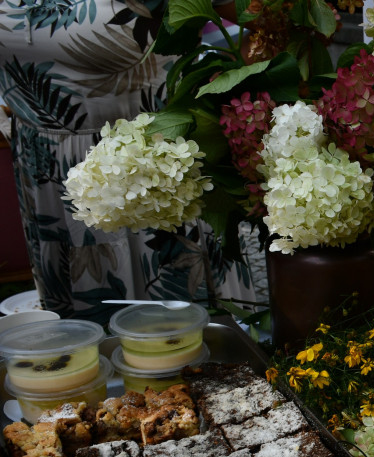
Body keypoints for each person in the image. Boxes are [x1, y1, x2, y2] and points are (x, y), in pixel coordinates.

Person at [0, 1, 259, 322]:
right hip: (45, 179)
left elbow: (279, 24)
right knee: (77, 352)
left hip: (157, 176)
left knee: (183, 346)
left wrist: (227, 95)